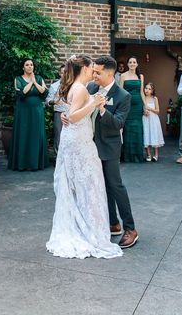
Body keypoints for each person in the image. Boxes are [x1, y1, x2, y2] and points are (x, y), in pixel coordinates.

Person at [46, 55, 122, 259]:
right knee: (89, 184)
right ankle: (89, 230)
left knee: (81, 184)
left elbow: (69, 113)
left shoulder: (78, 87)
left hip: (78, 138)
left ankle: (85, 225)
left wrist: (71, 113)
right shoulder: (80, 88)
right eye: (91, 69)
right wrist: (94, 103)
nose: (94, 72)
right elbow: (73, 115)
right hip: (79, 142)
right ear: (84, 69)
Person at [89, 56, 138, 248]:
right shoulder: (91, 88)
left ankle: (131, 228)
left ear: (110, 74)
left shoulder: (123, 96)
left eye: (98, 72)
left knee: (115, 186)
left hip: (109, 147)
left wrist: (102, 109)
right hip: (90, 146)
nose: (94, 75)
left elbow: (118, 123)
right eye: (93, 71)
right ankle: (112, 223)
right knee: (101, 185)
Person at [8, 59, 49, 171]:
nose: (30, 66)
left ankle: (36, 163)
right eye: (27, 65)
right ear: (23, 67)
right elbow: (22, 92)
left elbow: (44, 92)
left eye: (31, 65)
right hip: (23, 111)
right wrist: (31, 82)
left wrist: (35, 82)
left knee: (36, 134)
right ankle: (22, 163)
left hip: (37, 111)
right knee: (23, 134)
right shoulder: (18, 79)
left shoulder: (39, 78)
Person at [119, 56, 145, 163]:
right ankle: (127, 156)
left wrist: (145, 106)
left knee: (137, 128)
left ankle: (138, 156)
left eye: (134, 62)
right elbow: (120, 92)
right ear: (128, 64)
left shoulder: (140, 76)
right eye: (130, 62)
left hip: (138, 105)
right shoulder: (123, 75)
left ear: (137, 64)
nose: (132, 64)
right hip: (127, 105)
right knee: (128, 128)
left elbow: (142, 92)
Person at [44, 65, 67, 160]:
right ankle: (58, 159)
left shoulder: (75, 85)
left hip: (73, 113)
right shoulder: (54, 86)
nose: (64, 74)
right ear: (59, 73)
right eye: (62, 72)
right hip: (59, 113)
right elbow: (47, 101)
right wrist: (54, 101)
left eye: (66, 72)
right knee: (59, 136)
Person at [142, 82, 164, 162]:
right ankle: (148, 154)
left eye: (149, 89)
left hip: (154, 119)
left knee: (154, 134)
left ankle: (156, 154)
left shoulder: (155, 98)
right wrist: (144, 112)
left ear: (152, 90)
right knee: (146, 134)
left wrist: (149, 109)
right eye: (146, 88)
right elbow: (142, 109)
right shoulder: (143, 98)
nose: (147, 90)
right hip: (145, 119)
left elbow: (158, 111)